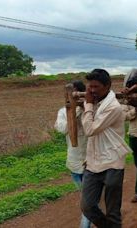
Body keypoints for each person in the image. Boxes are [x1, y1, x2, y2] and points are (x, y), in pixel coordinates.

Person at [80, 69, 131, 228]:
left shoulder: (113, 107)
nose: (93, 91)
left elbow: (89, 130)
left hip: (112, 161)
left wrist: (88, 104)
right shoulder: (93, 102)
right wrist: (88, 104)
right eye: (90, 87)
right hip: (93, 162)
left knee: (113, 211)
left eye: (96, 87)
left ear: (108, 86)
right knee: (87, 207)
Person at [54, 80, 91, 228]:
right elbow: (63, 129)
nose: (72, 98)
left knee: (86, 199)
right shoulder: (63, 112)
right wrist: (74, 110)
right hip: (74, 160)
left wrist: (84, 108)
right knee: (85, 197)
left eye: (75, 94)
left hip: (91, 160)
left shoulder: (90, 109)